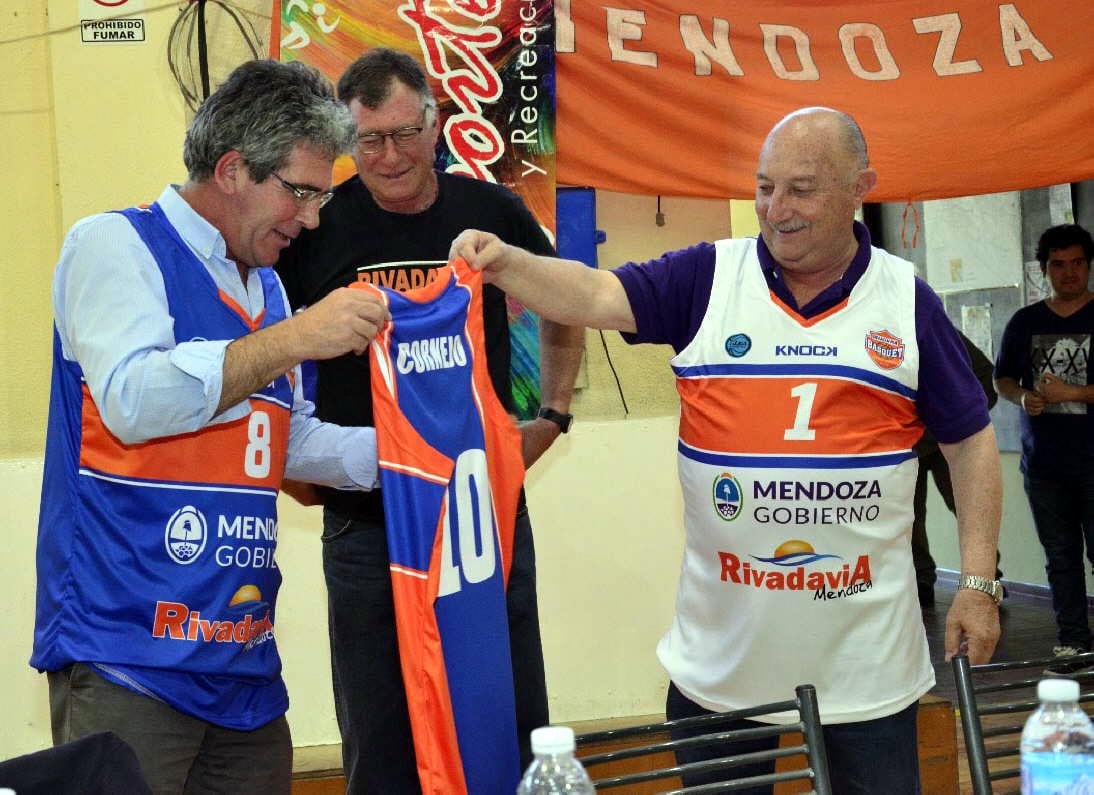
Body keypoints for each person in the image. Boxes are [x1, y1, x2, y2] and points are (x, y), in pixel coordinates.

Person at [451, 106, 1003, 794]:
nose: (777, 209)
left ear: (861, 185)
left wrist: (977, 583)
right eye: (765, 186)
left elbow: (972, 441)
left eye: (802, 188)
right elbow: (594, 292)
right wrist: (508, 263)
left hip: (868, 674)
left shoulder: (904, 299)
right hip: (724, 672)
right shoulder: (709, 276)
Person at [31, 59, 390, 794]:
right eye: (301, 192)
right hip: (128, 657)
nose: (313, 218)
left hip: (244, 667)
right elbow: (133, 400)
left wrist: (414, 453)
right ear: (231, 169)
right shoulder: (113, 246)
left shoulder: (270, 289)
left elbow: (285, 443)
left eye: (322, 196)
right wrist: (295, 340)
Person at [273, 48, 584, 793]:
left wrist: (552, 415)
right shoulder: (317, 227)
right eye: (368, 139)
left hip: (482, 516)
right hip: (366, 524)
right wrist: (288, 465)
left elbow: (565, 303)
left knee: (505, 716)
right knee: (382, 740)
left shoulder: (491, 212)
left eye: (404, 133)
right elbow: (262, 348)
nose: (388, 156)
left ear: (435, 123)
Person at [995, 222, 1094, 673]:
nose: (1069, 273)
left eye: (1077, 263)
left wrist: (1071, 394)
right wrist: (1024, 397)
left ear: (1089, 266)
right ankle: (1074, 643)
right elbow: (1004, 379)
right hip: (1045, 465)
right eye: (1059, 265)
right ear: (1044, 269)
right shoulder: (1025, 322)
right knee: (1060, 558)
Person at [912, 331, 1000, 609]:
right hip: (905, 444)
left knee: (971, 509)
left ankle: (987, 580)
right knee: (907, 518)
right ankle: (920, 581)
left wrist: (961, 420)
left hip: (948, 439)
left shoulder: (928, 322)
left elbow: (986, 377)